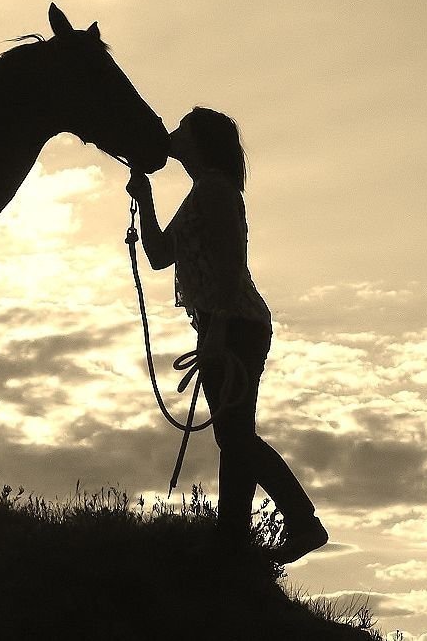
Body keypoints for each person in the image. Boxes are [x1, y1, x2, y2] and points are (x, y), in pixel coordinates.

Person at [126, 107, 327, 564]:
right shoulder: (203, 192)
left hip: (233, 326)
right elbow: (160, 256)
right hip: (230, 325)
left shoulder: (215, 192)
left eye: (182, 129)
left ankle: (301, 521)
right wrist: (147, 199)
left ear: (198, 142)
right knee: (233, 437)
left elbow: (232, 263)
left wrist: (215, 327)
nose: (173, 135)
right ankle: (232, 540)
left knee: (235, 438)